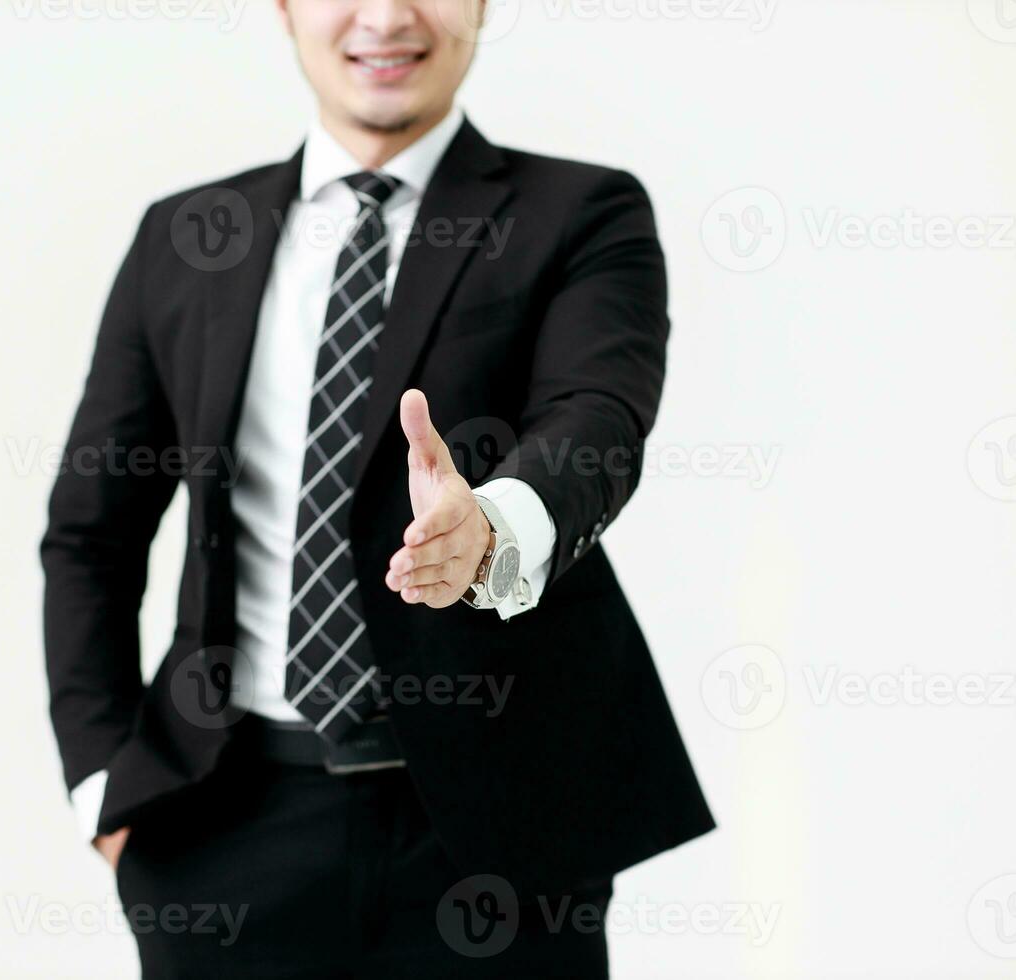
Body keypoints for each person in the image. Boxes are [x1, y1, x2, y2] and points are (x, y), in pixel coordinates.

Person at [42, 0, 715, 972]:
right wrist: (105, 786)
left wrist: (491, 527)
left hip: (502, 835)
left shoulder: (583, 212)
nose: (387, 16)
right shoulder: (186, 236)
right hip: (224, 822)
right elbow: (91, 536)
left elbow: (596, 420)